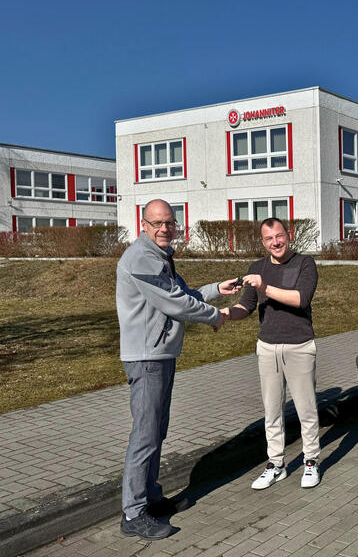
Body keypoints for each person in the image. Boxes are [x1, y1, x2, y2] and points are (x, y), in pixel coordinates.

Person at [116, 199, 241, 540]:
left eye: (169, 222)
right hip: (147, 358)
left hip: (160, 354)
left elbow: (182, 293)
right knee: (145, 435)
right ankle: (133, 513)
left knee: (156, 432)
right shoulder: (141, 257)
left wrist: (216, 290)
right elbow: (174, 303)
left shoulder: (160, 256)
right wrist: (215, 317)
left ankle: (150, 499)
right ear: (143, 225)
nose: (164, 228)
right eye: (157, 223)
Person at [222, 217, 321, 490]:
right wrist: (225, 314)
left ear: (288, 235)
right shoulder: (257, 268)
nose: (275, 242)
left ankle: (311, 461)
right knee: (272, 411)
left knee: (306, 410)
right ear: (263, 242)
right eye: (269, 239)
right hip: (267, 347)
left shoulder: (305, 263)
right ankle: (276, 465)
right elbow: (246, 306)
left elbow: (301, 298)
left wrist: (264, 286)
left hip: (299, 346)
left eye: (279, 236)